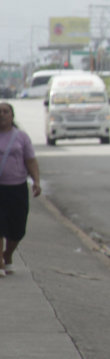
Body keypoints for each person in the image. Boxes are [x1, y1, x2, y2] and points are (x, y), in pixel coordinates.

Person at [0, 101, 41, 272]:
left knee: (17, 229)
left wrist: (36, 182)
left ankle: (7, 254)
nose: (2, 115)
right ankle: (0, 264)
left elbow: (30, 161)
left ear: (12, 115)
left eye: (5, 111)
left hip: (17, 188)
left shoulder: (21, 137)